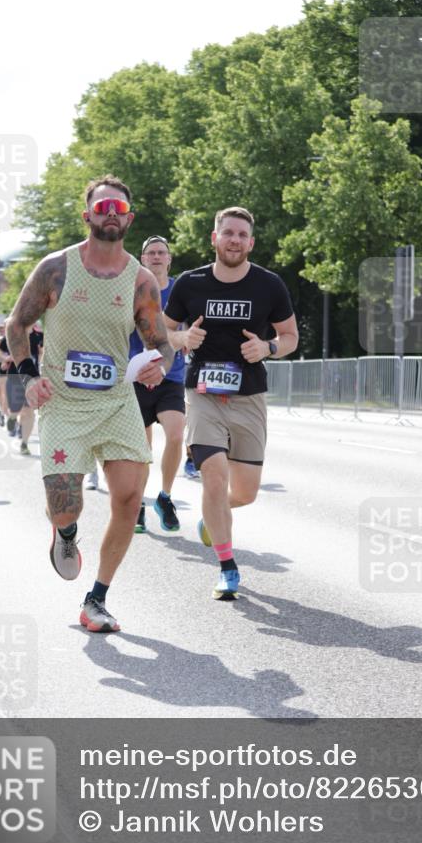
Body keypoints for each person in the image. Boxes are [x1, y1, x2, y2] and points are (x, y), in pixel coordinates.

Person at [5, 174, 173, 633]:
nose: (111, 214)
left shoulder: (141, 280)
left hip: (117, 401)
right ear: (88, 216)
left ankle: (96, 599)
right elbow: (17, 326)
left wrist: (158, 363)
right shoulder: (56, 268)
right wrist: (29, 376)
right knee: (66, 506)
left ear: (130, 218)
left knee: (128, 497)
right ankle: (65, 533)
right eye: (102, 208)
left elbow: (160, 341)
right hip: (62, 401)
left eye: (119, 208)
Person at [163, 206, 299, 600]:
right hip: (202, 394)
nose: (235, 240)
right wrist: (181, 340)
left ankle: (214, 515)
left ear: (250, 243)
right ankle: (227, 567)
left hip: (249, 396)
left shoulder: (268, 285)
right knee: (214, 476)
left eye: (242, 235)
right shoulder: (191, 283)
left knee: (245, 493)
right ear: (215, 238)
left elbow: (289, 336)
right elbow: (162, 330)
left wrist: (268, 346)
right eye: (229, 233)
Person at [130, 235, 186, 533]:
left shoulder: (180, 289)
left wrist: (187, 339)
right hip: (137, 376)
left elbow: (190, 322)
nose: (155, 256)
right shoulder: (132, 287)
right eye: (150, 252)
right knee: (142, 449)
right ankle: (137, 503)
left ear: (169, 258)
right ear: (142, 258)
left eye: (160, 252)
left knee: (176, 435)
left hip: (171, 376)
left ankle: (164, 497)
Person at [0, 326, 40, 455]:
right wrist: (5, 358)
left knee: (29, 411)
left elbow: (44, 353)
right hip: (14, 378)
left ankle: (24, 444)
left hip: (32, 379)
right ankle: (12, 417)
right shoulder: (13, 333)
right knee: (15, 410)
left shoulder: (39, 336)